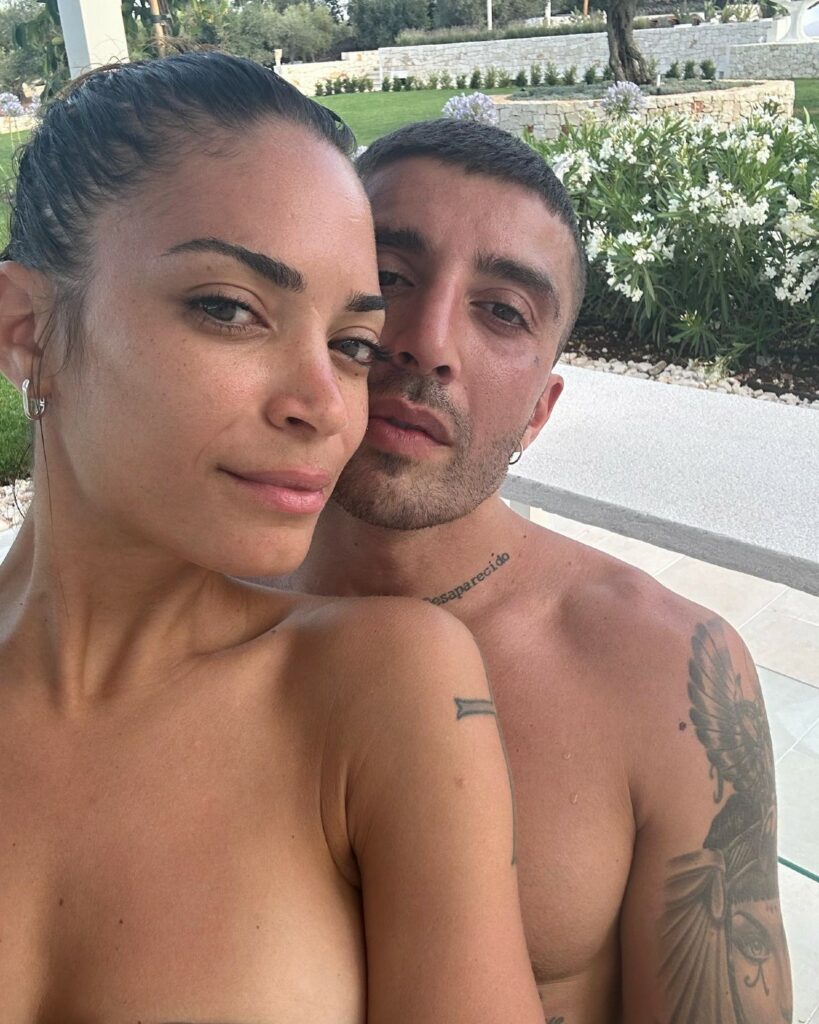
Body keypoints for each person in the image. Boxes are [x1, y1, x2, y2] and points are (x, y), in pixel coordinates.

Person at [0, 58, 545, 1023]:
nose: (324, 407)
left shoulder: (380, 689)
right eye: (230, 309)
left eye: (350, 345)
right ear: (26, 330)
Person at [284, 119, 793, 1024]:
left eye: (503, 311)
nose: (426, 341)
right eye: (390, 276)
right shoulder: (172, 609)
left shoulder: (662, 675)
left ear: (538, 412)